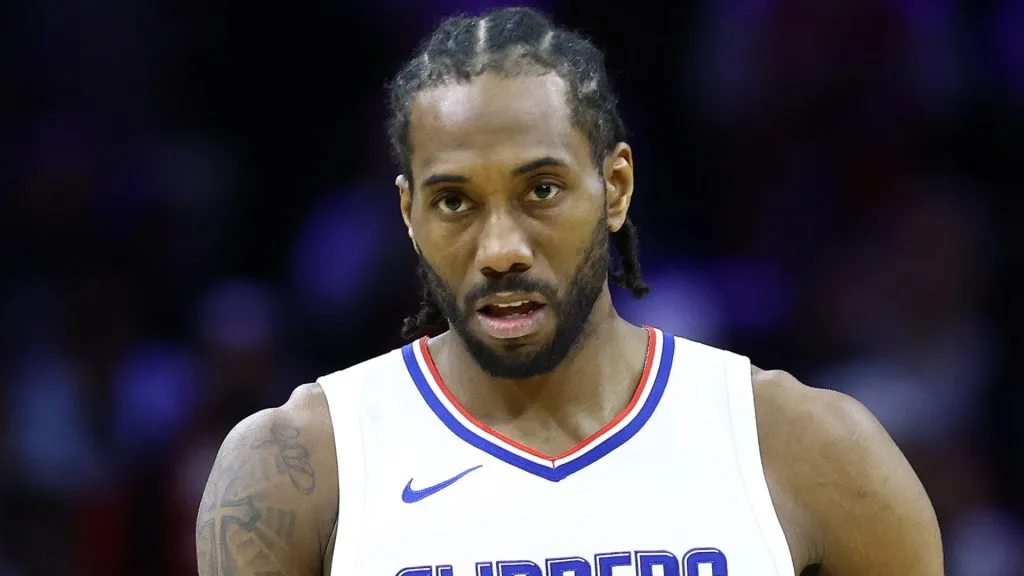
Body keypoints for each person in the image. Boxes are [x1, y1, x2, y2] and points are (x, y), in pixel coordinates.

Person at [195, 7, 943, 575]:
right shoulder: (298, 469)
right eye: (454, 201)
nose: (501, 250)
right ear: (409, 214)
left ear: (615, 187)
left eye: (542, 190)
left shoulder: (810, 449)